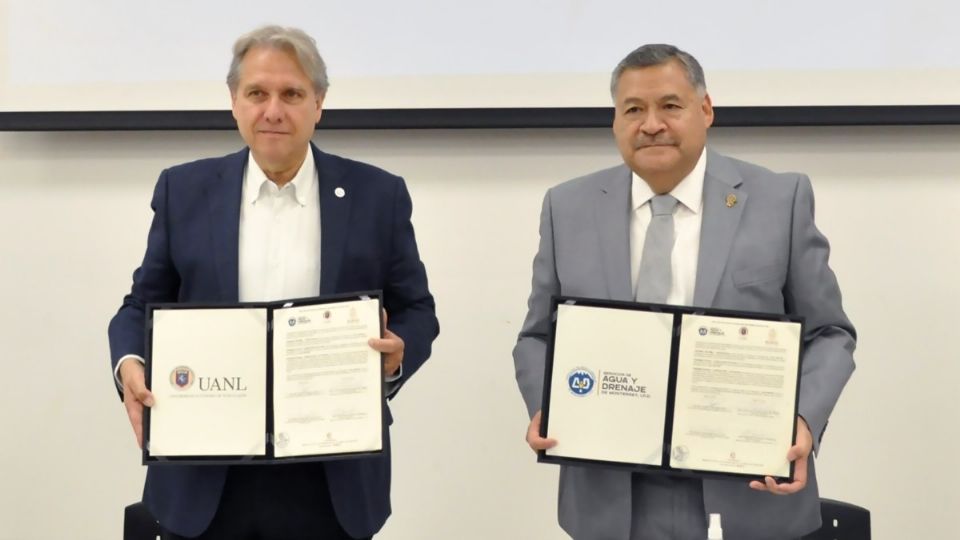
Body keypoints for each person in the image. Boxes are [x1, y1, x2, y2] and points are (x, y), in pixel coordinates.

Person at [108, 25, 439, 540]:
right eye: (257, 93)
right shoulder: (183, 190)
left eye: (292, 94)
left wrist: (398, 354)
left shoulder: (380, 195)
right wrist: (130, 364)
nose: (273, 110)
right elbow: (141, 305)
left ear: (319, 104)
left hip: (332, 478)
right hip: (204, 479)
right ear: (234, 102)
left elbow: (418, 311)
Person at [513, 44, 856, 540]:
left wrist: (801, 419)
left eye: (670, 106)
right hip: (611, 498)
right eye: (633, 109)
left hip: (745, 491)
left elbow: (830, 333)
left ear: (706, 110)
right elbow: (536, 337)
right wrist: (547, 402)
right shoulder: (566, 208)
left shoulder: (780, 200)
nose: (651, 124)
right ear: (615, 121)